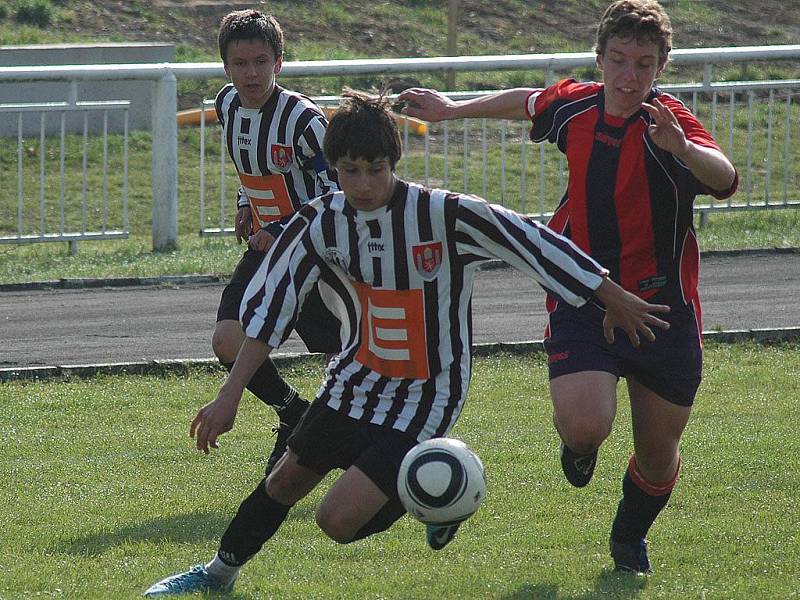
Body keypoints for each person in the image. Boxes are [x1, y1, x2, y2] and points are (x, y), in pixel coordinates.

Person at [143, 90, 672, 596]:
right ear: (334, 167)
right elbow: (267, 312)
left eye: (375, 168)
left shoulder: (442, 215)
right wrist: (230, 395)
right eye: (350, 170)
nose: (364, 183)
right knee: (284, 483)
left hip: (427, 392)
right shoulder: (320, 221)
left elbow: (534, 242)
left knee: (335, 522)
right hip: (354, 380)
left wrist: (612, 297)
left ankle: (442, 497)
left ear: (393, 160)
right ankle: (216, 573)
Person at [398, 0, 738, 575]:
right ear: (600, 58)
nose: (631, 77)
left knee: (657, 461)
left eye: (645, 64)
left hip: (662, 307)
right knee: (585, 425)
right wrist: (452, 109)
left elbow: (725, 177)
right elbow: (524, 102)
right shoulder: (576, 105)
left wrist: (683, 149)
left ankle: (628, 537)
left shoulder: (669, 121)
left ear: (661, 67)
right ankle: (579, 449)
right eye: (621, 61)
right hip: (582, 289)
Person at [210, 9, 341, 475]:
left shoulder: (304, 120)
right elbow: (252, 166)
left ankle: (378, 443)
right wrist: (245, 203)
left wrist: (282, 227)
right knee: (228, 340)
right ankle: (293, 413)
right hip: (265, 251)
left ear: (279, 63)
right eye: (240, 62)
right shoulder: (226, 104)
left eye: (260, 61)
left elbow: (337, 193)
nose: (250, 72)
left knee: (344, 355)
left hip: (315, 256)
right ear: (225, 65)